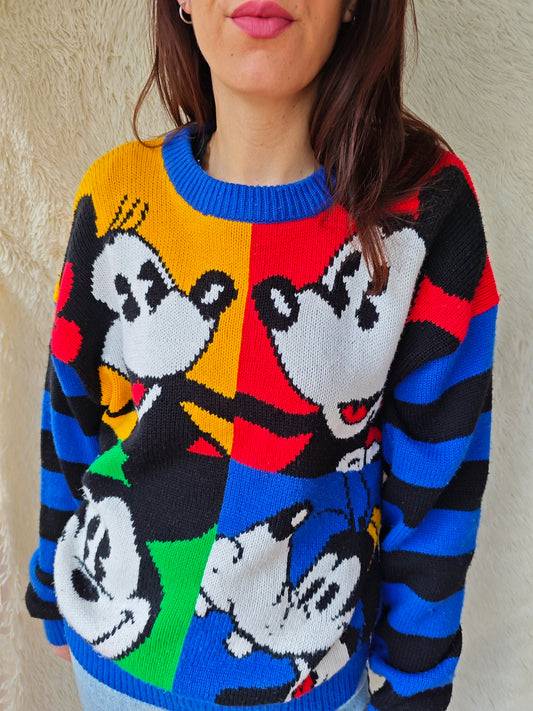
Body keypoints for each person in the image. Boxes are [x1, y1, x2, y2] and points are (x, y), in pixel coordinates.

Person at [25, 1, 499, 710]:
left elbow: (439, 484)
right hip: (112, 664)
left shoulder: (427, 212)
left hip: (304, 682)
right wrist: (49, 580)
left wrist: (416, 686)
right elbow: (70, 405)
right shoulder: (115, 192)